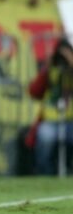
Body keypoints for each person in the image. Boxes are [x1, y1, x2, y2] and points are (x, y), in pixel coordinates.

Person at [28, 38, 73, 175]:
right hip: (50, 120)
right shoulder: (50, 71)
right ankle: (45, 172)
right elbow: (34, 91)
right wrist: (46, 69)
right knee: (45, 137)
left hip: (71, 121)